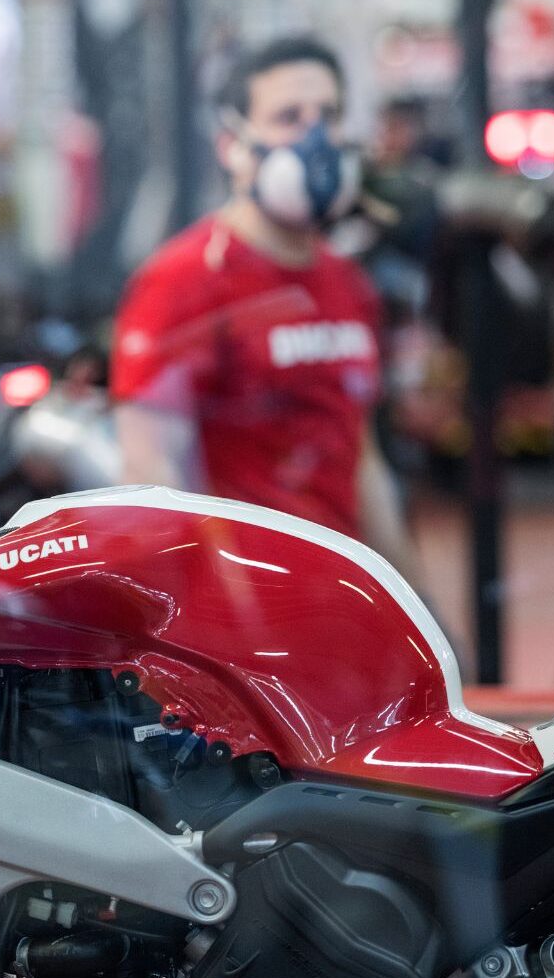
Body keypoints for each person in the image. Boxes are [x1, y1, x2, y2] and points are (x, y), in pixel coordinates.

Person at [110, 36, 420, 581]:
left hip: (338, 600)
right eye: (288, 118)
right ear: (233, 145)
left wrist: (419, 603)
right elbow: (150, 476)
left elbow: (363, 463)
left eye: (328, 115)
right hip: (245, 607)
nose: (316, 138)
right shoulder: (182, 281)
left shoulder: (347, 283)